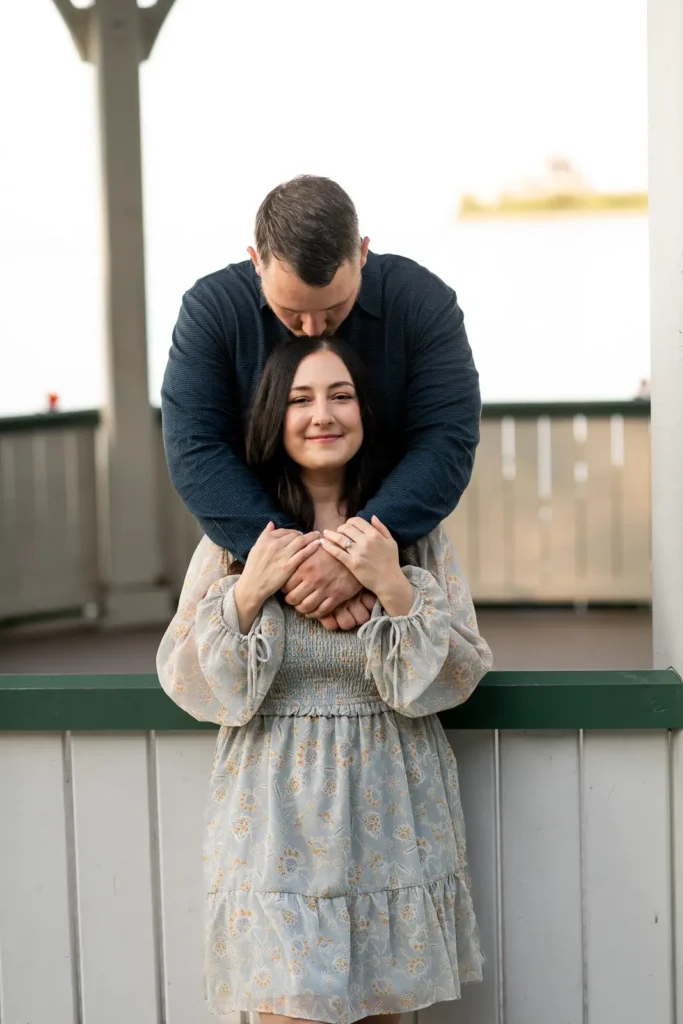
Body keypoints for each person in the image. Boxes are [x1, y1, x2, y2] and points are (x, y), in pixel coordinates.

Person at [157, 335, 493, 1024]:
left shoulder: (411, 533)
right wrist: (247, 593)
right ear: (272, 418)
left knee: (382, 1016)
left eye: (340, 395)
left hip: (390, 811)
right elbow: (185, 679)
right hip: (273, 816)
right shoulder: (233, 535)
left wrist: (390, 585)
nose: (322, 414)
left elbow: (459, 671)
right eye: (299, 399)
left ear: (365, 410)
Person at [161, 175, 480, 631]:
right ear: (256, 261)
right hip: (251, 561)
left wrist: (357, 558)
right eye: (291, 312)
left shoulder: (422, 303)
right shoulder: (211, 310)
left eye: (334, 307)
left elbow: (446, 442)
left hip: (394, 558)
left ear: (363, 254)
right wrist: (296, 565)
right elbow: (195, 452)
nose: (314, 329)